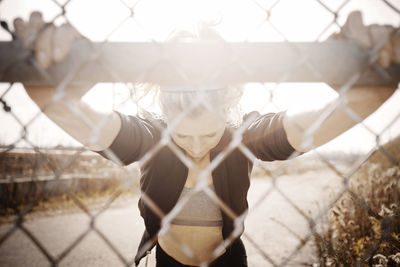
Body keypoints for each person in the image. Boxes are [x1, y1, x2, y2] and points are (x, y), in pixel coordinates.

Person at [13, 11, 399, 267]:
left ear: (230, 112)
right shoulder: (152, 135)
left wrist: (370, 69)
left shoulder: (243, 135)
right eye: (181, 135)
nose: (197, 146)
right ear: (166, 117)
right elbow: (81, 120)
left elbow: (342, 112)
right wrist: (52, 72)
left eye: (210, 133)